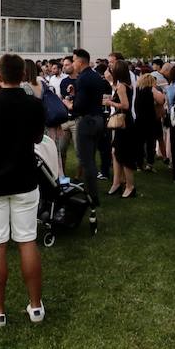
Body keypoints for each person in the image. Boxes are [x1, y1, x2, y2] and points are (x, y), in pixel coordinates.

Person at [0, 54, 46, 327]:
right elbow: (38, 137)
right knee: (27, 240)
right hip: (24, 179)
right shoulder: (34, 105)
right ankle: (35, 306)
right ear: (24, 75)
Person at [69, 48, 111, 224]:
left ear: (80, 62)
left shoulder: (83, 78)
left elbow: (78, 107)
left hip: (87, 122)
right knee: (91, 159)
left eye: (73, 61)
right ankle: (92, 192)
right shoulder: (94, 76)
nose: (72, 64)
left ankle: (92, 197)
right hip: (99, 119)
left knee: (86, 161)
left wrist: (68, 103)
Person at [106, 61, 137, 197]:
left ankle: (130, 186)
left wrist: (109, 102)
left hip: (124, 123)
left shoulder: (122, 87)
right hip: (125, 123)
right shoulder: (124, 85)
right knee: (116, 152)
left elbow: (125, 105)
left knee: (124, 154)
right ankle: (118, 182)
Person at [131, 72, 166, 187]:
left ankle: (138, 164)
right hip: (150, 120)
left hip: (139, 120)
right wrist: (155, 89)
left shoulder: (137, 90)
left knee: (139, 143)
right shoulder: (150, 90)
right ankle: (149, 164)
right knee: (150, 143)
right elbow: (161, 100)